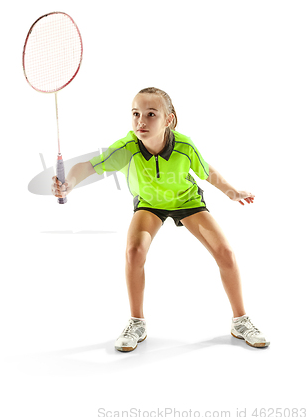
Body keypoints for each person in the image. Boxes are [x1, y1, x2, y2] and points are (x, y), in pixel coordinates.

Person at [51, 87, 270, 351]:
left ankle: (240, 321)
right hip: (149, 205)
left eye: (151, 114)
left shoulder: (184, 145)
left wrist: (232, 191)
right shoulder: (127, 147)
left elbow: (206, 171)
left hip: (187, 202)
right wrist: (69, 184)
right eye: (135, 114)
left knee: (225, 253)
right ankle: (137, 322)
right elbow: (87, 166)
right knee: (134, 252)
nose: (141, 121)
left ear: (169, 119)